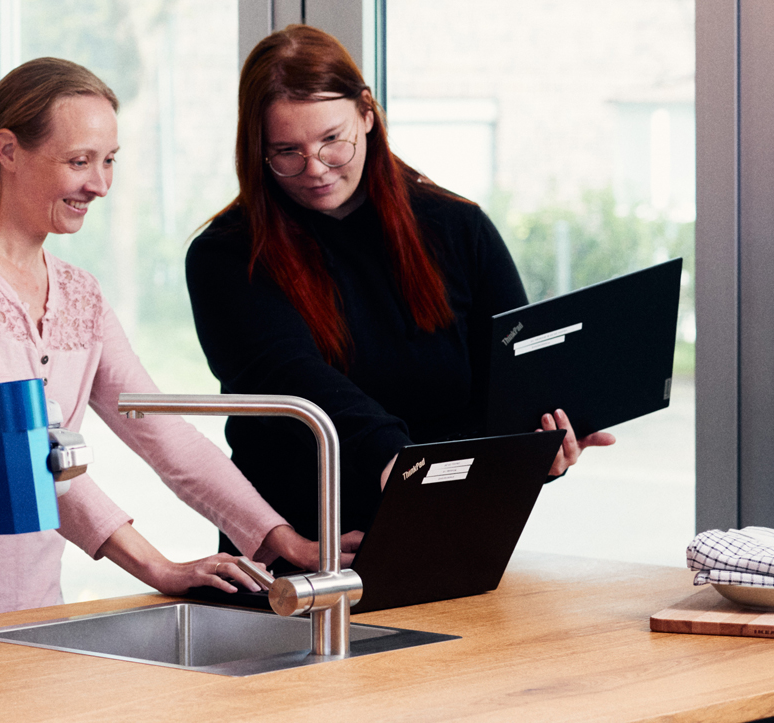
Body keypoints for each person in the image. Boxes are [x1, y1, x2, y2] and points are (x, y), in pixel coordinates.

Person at [0, 57, 325, 631]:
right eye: (79, 161)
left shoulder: (80, 294)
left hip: (25, 610)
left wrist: (283, 540)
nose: (98, 184)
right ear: (7, 150)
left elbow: (163, 432)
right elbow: (17, 439)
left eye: (108, 162)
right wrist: (157, 567)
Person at [184, 25, 614, 560]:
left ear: (367, 112)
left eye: (331, 141)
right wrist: (393, 455)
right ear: (257, 149)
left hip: (449, 540)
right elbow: (289, 376)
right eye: (287, 152)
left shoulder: (457, 227)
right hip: (303, 552)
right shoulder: (227, 254)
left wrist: (540, 447)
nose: (314, 168)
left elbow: (510, 383)